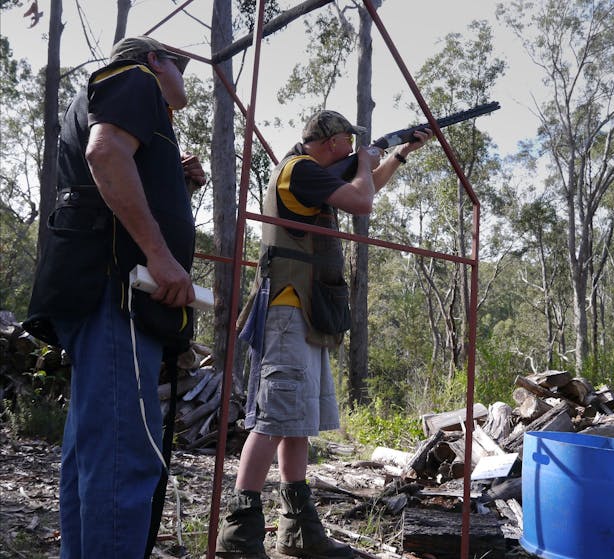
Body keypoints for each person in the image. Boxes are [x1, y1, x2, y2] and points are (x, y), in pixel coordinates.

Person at [216, 111, 432, 558]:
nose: (352, 148)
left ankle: (298, 530)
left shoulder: (312, 173)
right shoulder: (300, 171)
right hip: (288, 309)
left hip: (306, 309)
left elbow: (362, 188)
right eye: (349, 142)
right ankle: (239, 534)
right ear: (334, 142)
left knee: (297, 420)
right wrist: (370, 165)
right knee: (274, 418)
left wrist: (397, 155)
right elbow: (362, 200)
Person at [23, 36, 206, 558]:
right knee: (124, 453)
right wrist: (161, 256)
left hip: (99, 290)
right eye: (179, 64)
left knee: (94, 452)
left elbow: (108, 171)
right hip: (119, 294)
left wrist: (175, 181)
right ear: (153, 60)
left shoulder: (116, 99)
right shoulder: (135, 80)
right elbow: (104, 154)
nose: (182, 76)